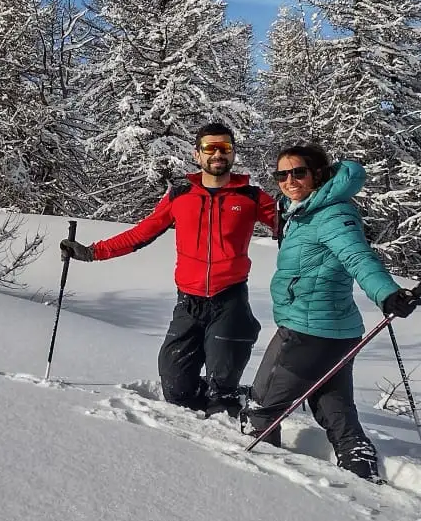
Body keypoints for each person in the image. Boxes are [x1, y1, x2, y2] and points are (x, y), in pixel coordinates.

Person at [60, 122, 278, 417]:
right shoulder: (180, 195)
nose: (218, 154)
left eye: (224, 148)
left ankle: (226, 406)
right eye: (210, 148)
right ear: (197, 154)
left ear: (233, 153)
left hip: (230, 301)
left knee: (222, 389)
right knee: (175, 387)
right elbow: (141, 234)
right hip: (188, 302)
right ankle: (215, 399)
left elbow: (292, 227)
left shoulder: (251, 197)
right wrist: (91, 252)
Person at [245, 143, 421, 481]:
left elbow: (357, 256)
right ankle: (362, 474)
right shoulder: (301, 210)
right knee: (334, 410)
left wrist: (386, 294)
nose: (289, 180)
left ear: (318, 174)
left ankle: (260, 485)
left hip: (307, 331)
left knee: (262, 408)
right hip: (335, 332)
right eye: (282, 174)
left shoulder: (330, 214)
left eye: (298, 172)